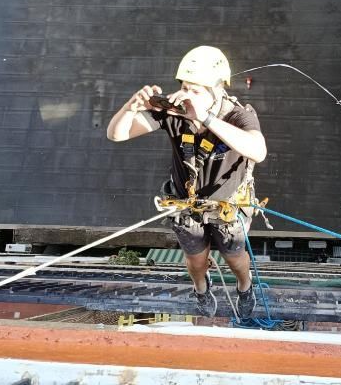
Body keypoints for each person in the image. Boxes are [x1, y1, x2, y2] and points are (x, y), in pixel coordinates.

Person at [107, 46, 267, 319]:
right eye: (184, 86)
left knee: (235, 258)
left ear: (217, 90)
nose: (185, 94)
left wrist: (205, 117)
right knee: (196, 259)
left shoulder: (238, 116)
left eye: (195, 90)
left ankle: (245, 285)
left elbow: (258, 151)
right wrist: (129, 107)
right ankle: (201, 288)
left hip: (226, 206)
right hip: (187, 203)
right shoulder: (173, 115)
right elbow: (116, 134)